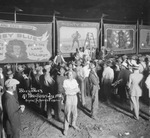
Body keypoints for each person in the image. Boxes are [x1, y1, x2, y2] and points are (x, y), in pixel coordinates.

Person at [63, 71, 80, 136]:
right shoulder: (65, 81)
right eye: (69, 75)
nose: (70, 76)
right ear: (67, 75)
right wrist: (73, 90)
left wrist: (72, 90)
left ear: (73, 75)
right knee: (67, 113)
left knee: (75, 112)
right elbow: (66, 91)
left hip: (74, 97)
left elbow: (78, 89)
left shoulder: (75, 81)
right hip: (68, 97)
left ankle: (73, 124)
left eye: (71, 75)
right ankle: (65, 129)